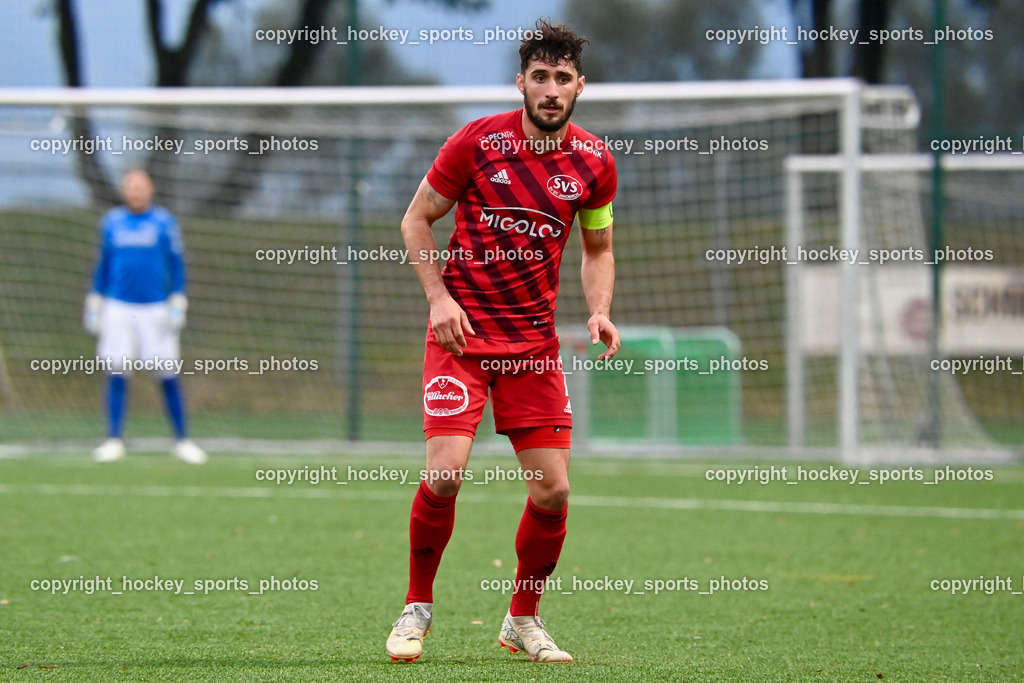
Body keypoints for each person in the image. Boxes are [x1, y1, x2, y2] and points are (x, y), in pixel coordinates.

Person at [386, 19, 619, 664]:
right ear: (521, 82)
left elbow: (598, 247)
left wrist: (598, 310)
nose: (550, 90)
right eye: (539, 78)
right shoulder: (476, 143)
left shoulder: (595, 163)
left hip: (532, 349)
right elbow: (416, 219)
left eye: (562, 79)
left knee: (554, 491)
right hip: (462, 339)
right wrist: (438, 298)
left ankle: (523, 619)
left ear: (579, 87)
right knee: (445, 473)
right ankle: (417, 606)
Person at [84, 169, 207, 465]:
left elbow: (176, 264)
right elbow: (103, 264)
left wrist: (178, 298)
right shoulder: (111, 222)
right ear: (124, 190)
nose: (135, 192)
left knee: (167, 374)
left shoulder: (164, 222)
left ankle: (182, 440)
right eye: (130, 187)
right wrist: (95, 300)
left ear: (150, 189)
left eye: (140, 187)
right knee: (116, 372)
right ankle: (114, 439)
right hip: (118, 307)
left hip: (156, 308)